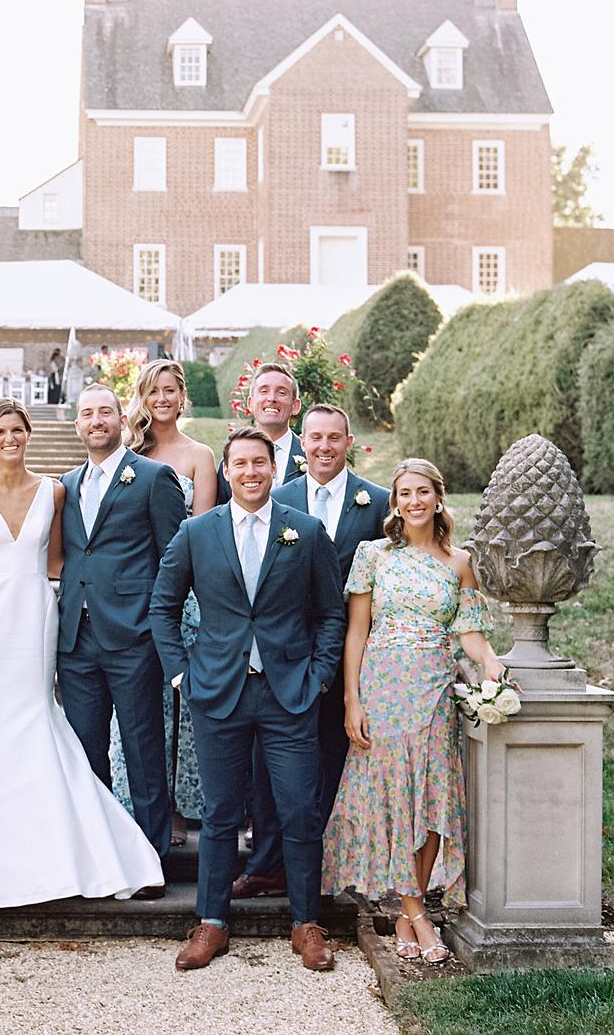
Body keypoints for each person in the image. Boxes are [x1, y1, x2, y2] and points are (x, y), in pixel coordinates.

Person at [0, 399, 163, 906]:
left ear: (29, 435)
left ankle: (72, 852)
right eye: (0, 432)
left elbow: (58, 563)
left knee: (37, 714)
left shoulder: (55, 491)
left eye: (18, 430)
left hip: (36, 616)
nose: (10, 439)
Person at [150, 427, 345, 972]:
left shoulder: (304, 532)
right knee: (219, 814)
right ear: (228, 470)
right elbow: (162, 608)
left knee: (300, 810)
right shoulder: (196, 532)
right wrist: (181, 674)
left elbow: (331, 612)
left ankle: (306, 922)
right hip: (218, 690)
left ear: (273, 467)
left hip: (290, 693)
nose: (251, 472)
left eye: (260, 463)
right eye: (240, 464)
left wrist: (321, 675)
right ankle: (211, 922)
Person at [322, 458, 502, 966]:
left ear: (438, 498)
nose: (414, 501)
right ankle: (417, 913)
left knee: (431, 804)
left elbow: (469, 632)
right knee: (395, 798)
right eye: (405, 493)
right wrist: (351, 699)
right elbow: (357, 630)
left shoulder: (459, 562)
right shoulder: (373, 555)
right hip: (382, 688)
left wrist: (490, 662)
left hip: (434, 688)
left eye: (423, 491)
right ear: (395, 503)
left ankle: (409, 911)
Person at [233, 403, 389, 900]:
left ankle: (329, 864)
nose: (323, 447)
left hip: (353, 654)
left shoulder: (378, 501)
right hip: (284, 656)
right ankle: (266, 864)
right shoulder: (277, 497)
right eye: (314, 438)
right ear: (302, 442)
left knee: (335, 757)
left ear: (349, 442)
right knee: (270, 767)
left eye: (333, 438)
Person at [57, 383, 186, 875]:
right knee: (87, 755)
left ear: (121, 419)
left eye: (105, 412)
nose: (96, 421)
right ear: (77, 425)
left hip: (133, 637)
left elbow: (175, 561)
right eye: (87, 413)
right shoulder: (66, 484)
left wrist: (156, 625)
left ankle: (151, 859)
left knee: (142, 749)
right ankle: (102, 855)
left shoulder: (154, 478)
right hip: (77, 639)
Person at [108, 359, 218, 845]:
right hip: (134, 594)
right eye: (154, 391)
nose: (163, 399)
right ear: (142, 397)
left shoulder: (200, 456)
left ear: (182, 396)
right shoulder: (127, 453)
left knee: (185, 706)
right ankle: (137, 803)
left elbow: (202, 530)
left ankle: (179, 809)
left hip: (188, 593)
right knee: (141, 705)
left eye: (171, 390)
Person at [216, 362, 306, 504]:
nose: (271, 398)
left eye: (281, 392)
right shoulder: (229, 462)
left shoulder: (310, 457)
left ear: (295, 406)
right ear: (250, 403)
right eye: (264, 391)